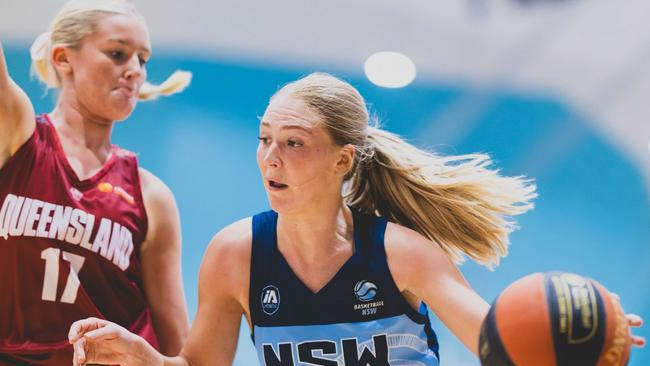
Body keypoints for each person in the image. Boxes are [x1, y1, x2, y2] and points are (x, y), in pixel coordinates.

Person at [68, 72, 645, 366]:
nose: (271, 157)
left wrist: (581, 341)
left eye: (294, 143)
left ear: (343, 160)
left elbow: (498, 339)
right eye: (265, 139)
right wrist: (146, 358)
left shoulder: (402, 253)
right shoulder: (235, 254)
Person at [0, 0, 192, 364]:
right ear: (62, 58)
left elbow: (178, 354)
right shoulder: (17, 135)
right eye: (118, 53)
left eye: (143, 59)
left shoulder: (150, 197)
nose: (135, 70)